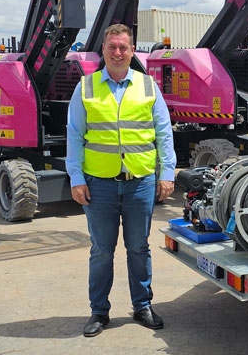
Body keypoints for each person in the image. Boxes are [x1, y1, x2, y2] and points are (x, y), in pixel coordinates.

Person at [65, 23, 177, 338]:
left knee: (139, 248)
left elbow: (164, 133)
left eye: (123, 47)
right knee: (102, 250)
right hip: (98, 184)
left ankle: (142, 306)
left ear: (131, 51)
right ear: (103, 49)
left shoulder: (147, 86)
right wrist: (76, 177)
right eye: (112, 46)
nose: (117, 52)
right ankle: (99, 311)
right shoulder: (85, 88)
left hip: (139, 182)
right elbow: (74, 135)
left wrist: (166, 173)